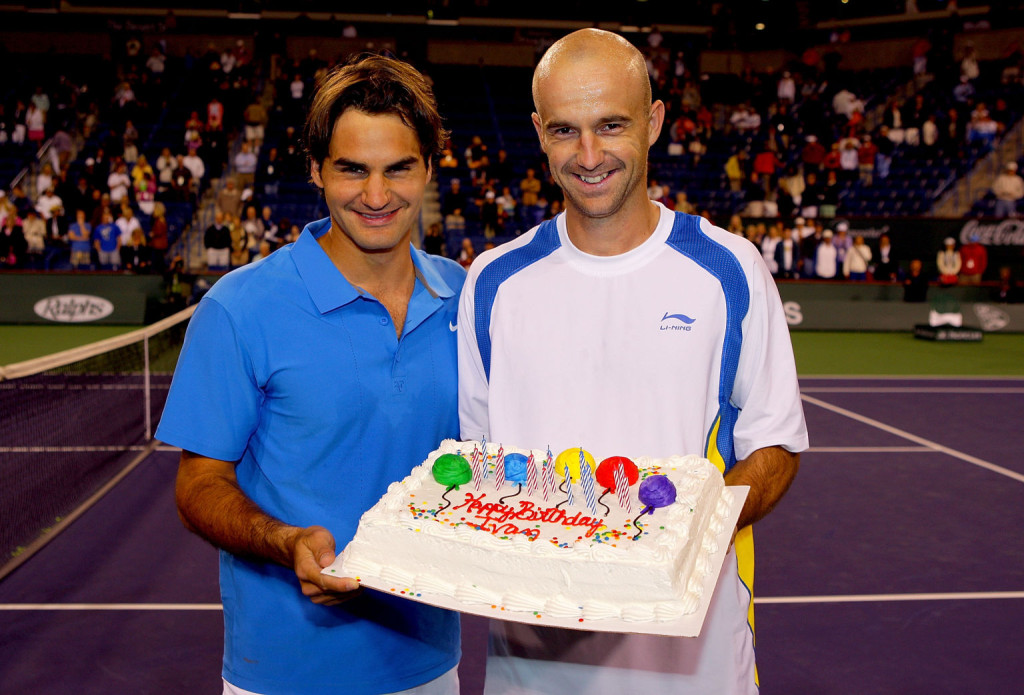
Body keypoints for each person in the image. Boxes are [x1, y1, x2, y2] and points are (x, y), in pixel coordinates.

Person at [457, 29, 807, 695]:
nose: (588, 155)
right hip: (536, 663)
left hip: (691, 663)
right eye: (565, 130)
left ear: (653, 122)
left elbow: (775, 445)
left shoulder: (729, 270)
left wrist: (686, 527)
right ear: (538, 132)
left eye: (611, 125)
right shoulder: (493, 282)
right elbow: (481, 458)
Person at [155, 54, 464, 695]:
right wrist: (284, 539)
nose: (376, 197)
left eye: (399, 168)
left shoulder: (469, 297)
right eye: (352, 169)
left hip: (432, 667)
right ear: (317, 170)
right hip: (282, 676)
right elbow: (198, 485)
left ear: (430, 168)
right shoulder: (238, 308)